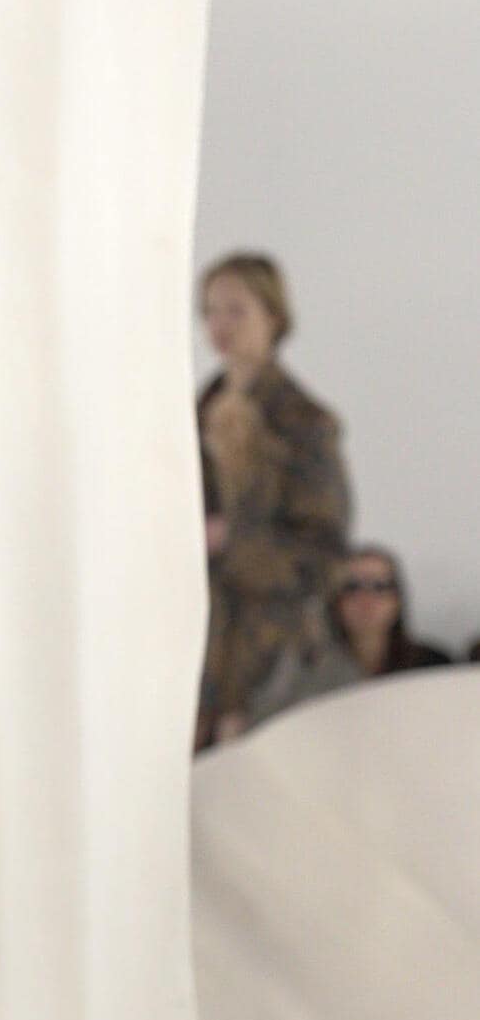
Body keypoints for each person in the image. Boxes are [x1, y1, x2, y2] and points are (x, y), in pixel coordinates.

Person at [194, 251, 351, 747]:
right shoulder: (190, 415)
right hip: (194, 641)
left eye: (236, 310)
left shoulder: (303, 423)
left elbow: (323, 552)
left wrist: (231, 540)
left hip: (268, 653)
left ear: (273, 316)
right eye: (211, 310)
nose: (220, 324)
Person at [246, 542, 453, 725]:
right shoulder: (310, 669)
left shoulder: (433, 666)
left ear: (397, 600)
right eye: (352, 587)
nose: (366, 598)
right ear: (335, 600)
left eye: (380, 586)